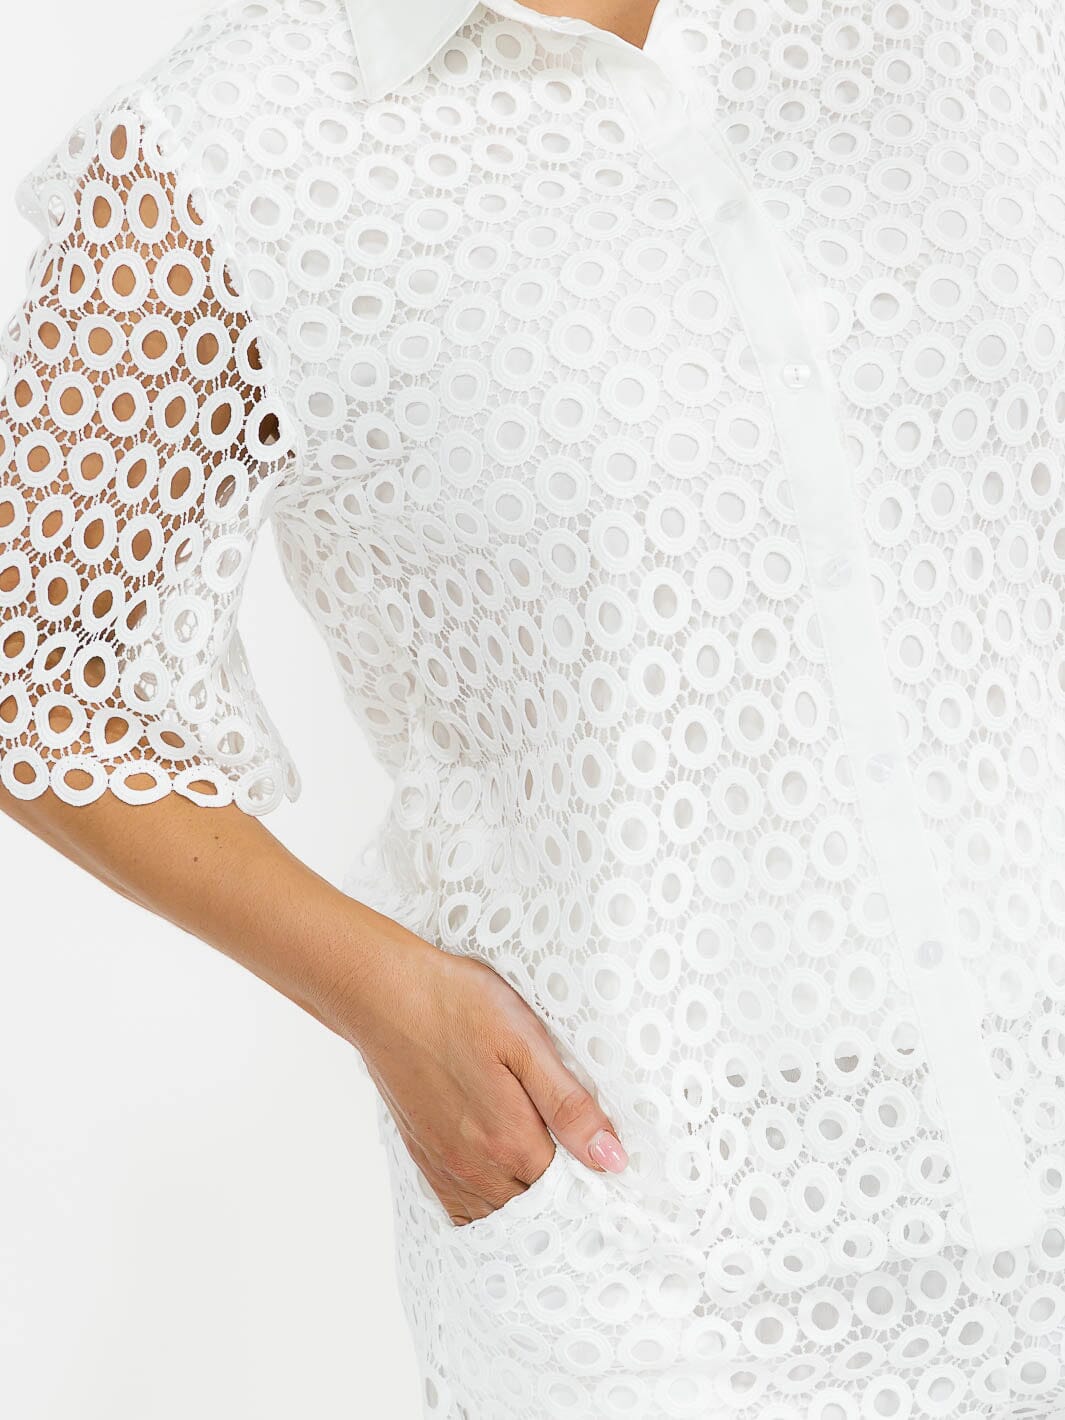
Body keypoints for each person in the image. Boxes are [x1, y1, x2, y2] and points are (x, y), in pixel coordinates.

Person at [3, 0, 1065, 1414]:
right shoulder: (241, 143)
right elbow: (31, 658)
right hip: (659, 1249)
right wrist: (388, 1001)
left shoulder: (981, 31)